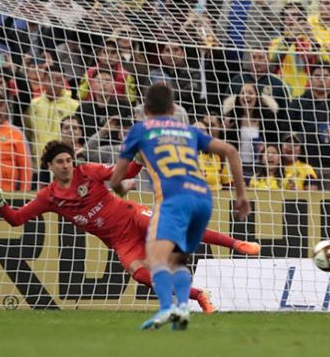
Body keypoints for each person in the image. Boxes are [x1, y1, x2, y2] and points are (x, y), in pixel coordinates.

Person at [0, 138, 259, 313]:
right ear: (50, 167)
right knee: (140, 275)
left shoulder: (88, 172)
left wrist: (137, 160)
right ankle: (199, 296)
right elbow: (16, 220)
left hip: (132, 215)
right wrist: (0, 204)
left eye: (68, 159)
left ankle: (237, 244)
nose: (66, 165)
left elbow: (123, 172)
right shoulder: (49, 197)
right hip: (120, 240)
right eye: (60, 162)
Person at [106, 83, 249, 330]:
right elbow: (231, 151)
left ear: (146, 109)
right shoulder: (188, 130)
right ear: (173, 109)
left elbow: (115, 180)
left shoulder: (140, 130)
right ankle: (183, 307)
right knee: (177, 260)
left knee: (156, 259)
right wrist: (241, 195)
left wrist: (121, 189)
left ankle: (166, 309)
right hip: (203, 199)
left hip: (173, 199)